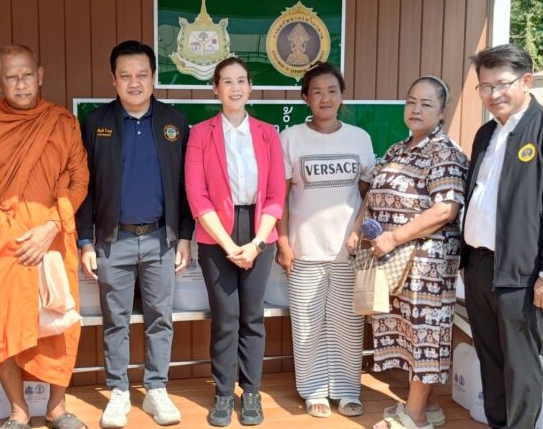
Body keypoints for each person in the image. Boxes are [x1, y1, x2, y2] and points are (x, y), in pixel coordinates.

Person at [460, 44, 543, 429]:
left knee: (519, 365)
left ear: (526, 81)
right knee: (491, 360)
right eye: (485, 87)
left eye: (502, 84)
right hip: (480, 266)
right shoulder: (486, 134)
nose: (493, 94)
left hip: (523, 273)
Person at [0, 44, 89, 429]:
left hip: (53, 234)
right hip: (4, 241)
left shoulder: (62, 122)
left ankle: (56, 408)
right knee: (2, 321)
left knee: (59, 320)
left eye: (26, 75)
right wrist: (6, 232)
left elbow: (79, 180)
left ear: (40, 75)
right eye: (11, 76)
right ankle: (18, 410)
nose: (20, 84)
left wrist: (51, 227)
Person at [75, 40, 193, 428]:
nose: (134, 82)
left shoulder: (174, 121)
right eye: (125, 76)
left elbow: (185, 185)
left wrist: (185, 236)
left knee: (161, 318)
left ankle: (156, 388)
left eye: (142, 74)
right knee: (116, 320)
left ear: (154, 77)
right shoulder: (96, 122)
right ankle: (119, 391)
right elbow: (85, 187)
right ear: (113, 80)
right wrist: (86, 240)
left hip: (161, 239)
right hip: (113, 240)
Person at [352, 76, 469, 429]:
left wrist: (395, 237)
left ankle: (414, 417)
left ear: (442, 112)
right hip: (393, 259)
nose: (416, 109)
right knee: (407, 330)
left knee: (424, 333)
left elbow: (445, 210)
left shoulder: (444, 153)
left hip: (426, 263)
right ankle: (427, 406)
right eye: (411, 101)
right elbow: (373, 193)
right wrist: (359, 228)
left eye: (426, 104)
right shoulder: (396, 150)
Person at [185, 57, 286, 427]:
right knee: (226, 317)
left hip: (259, 230)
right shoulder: (201, 133)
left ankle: (252, 392)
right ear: (216, 88)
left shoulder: (267, 133)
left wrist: (257, 243)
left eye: (241, 80)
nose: (235, 88)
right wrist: (229, 246)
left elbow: (275, 194)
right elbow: (197, 196)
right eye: (227, 81)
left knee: (252, 317)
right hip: (216, 235)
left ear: (250, 86)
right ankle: (224, 393)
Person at [275, 62, 374, 419]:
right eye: (316, 91)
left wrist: (358, 230)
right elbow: (279, 196)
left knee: (348, 324)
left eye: (332, 91)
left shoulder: (359, 138)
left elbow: (369, 193)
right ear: (305, 97)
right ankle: (313, 390)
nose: (325, 98)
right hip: (304, 248)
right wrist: (283, 243)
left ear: (342, 95)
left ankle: (347, 389)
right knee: (307, 323)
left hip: (348, 249)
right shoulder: (291, 138)